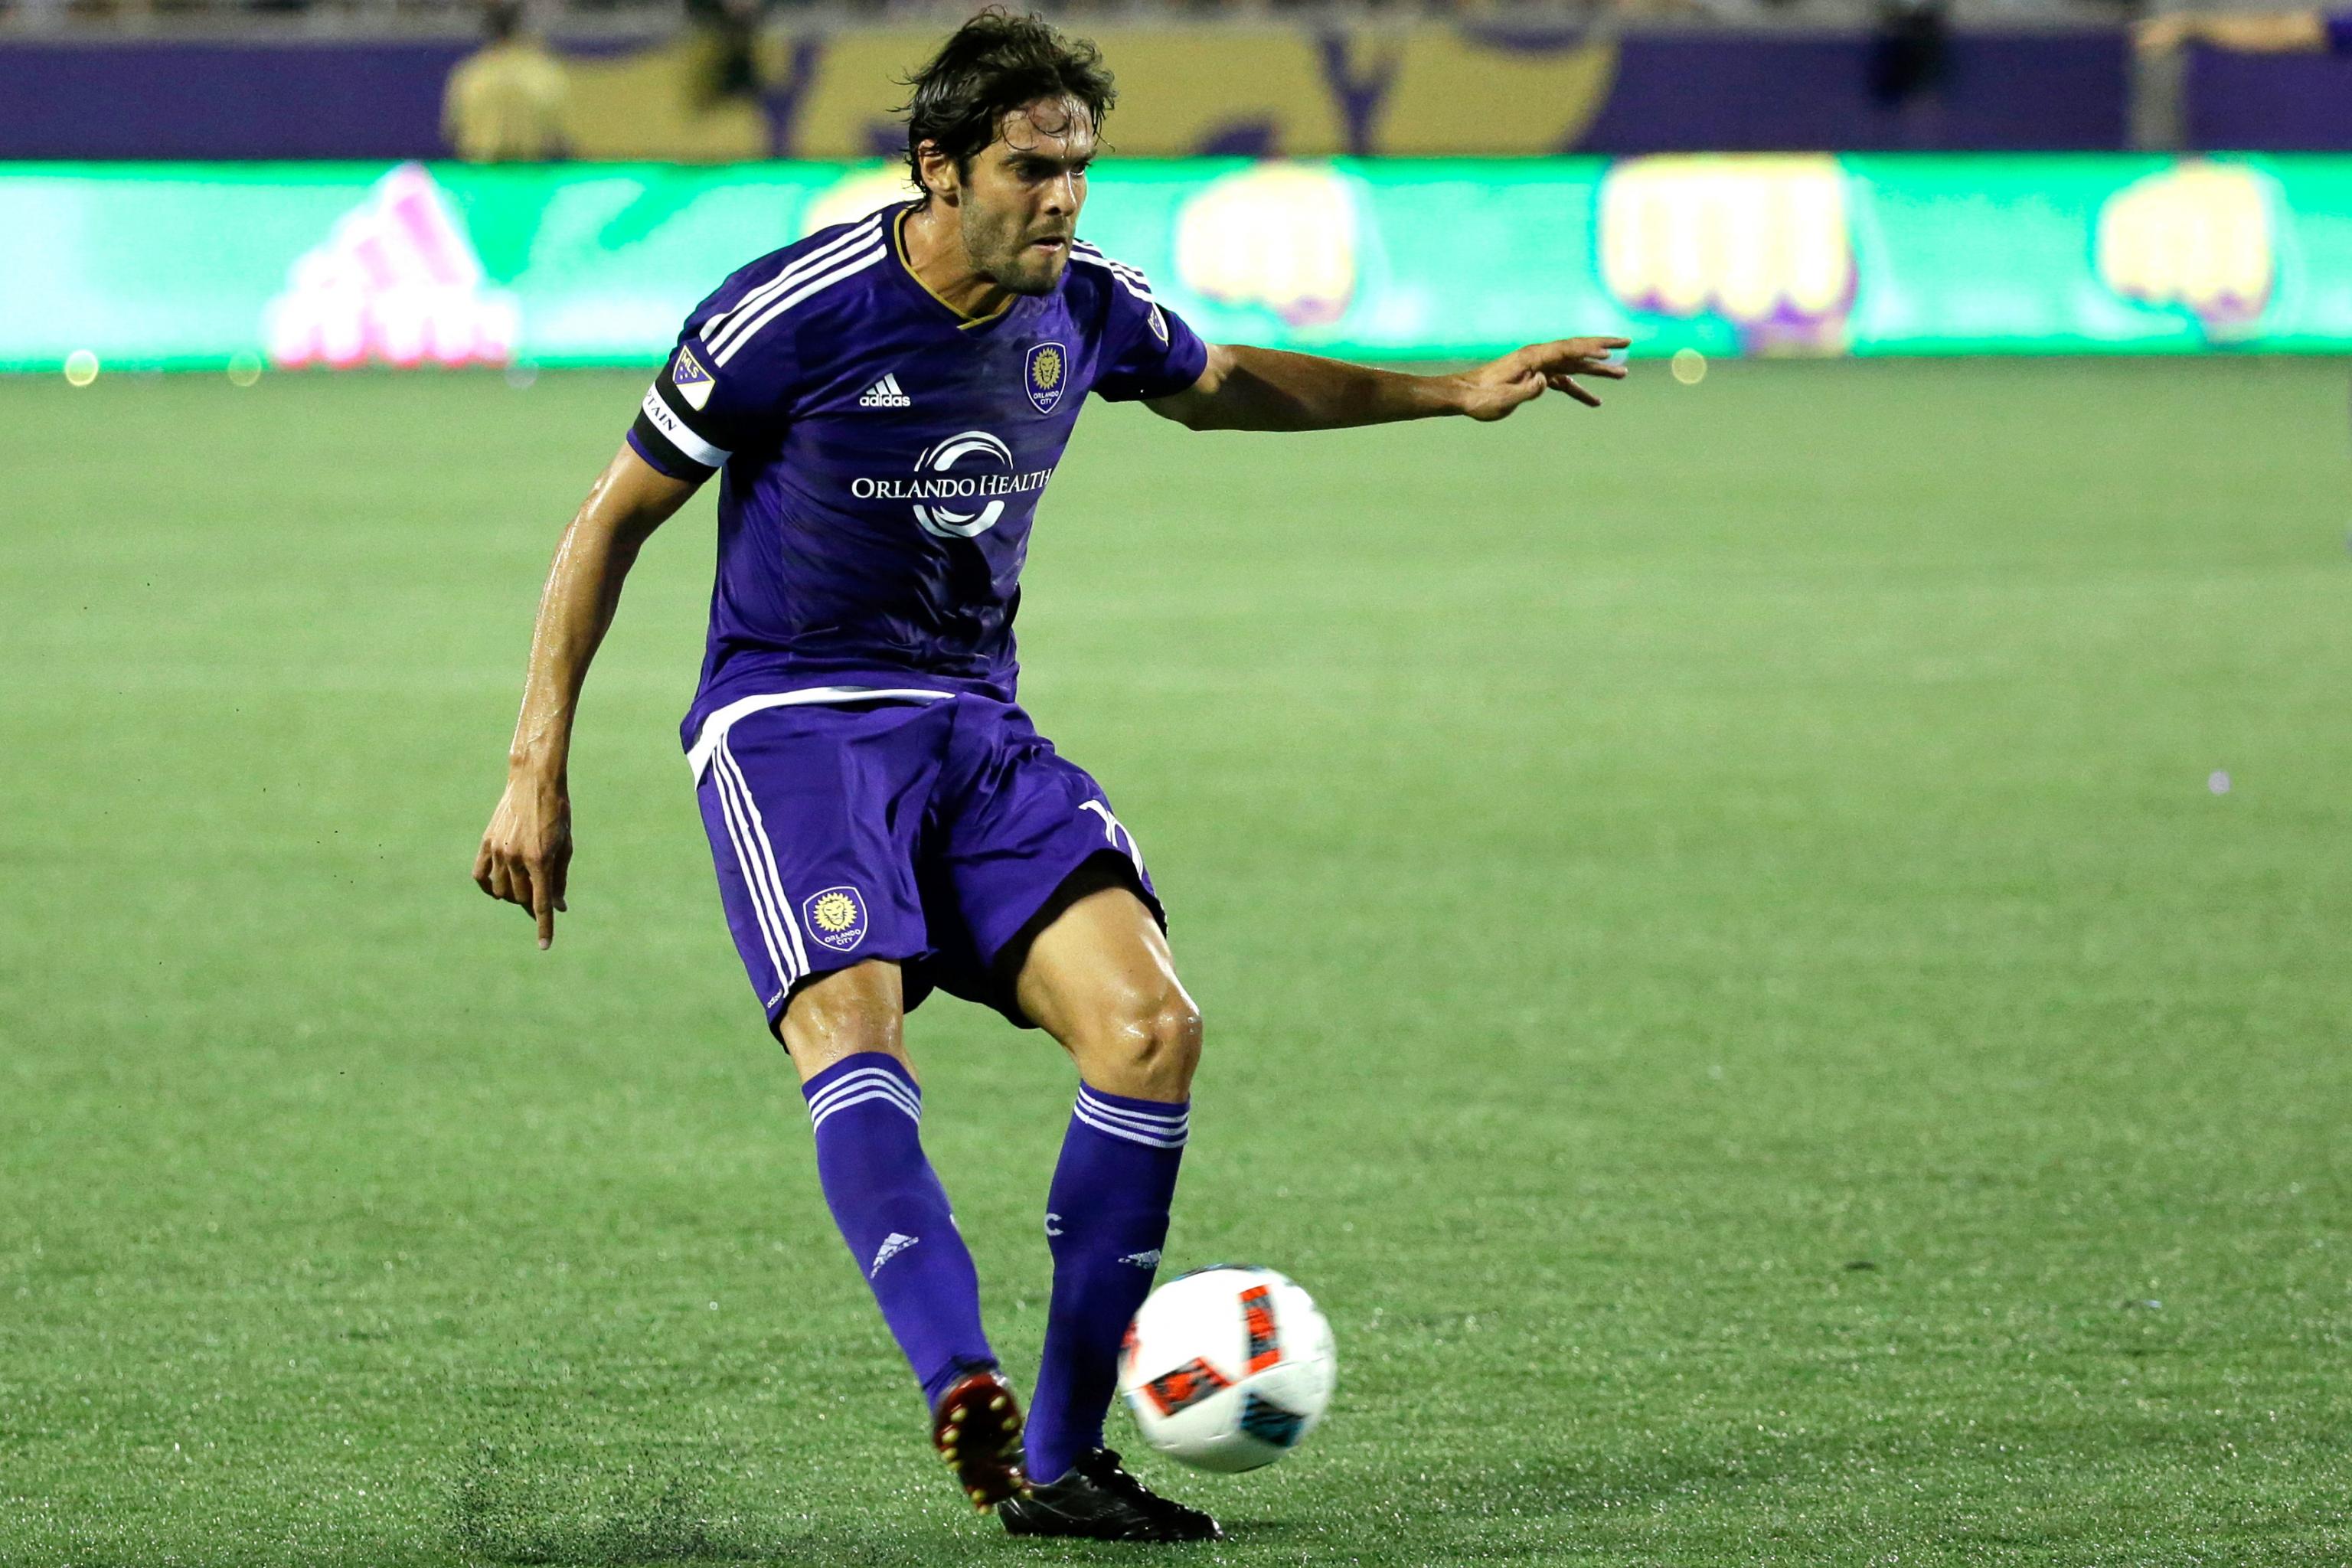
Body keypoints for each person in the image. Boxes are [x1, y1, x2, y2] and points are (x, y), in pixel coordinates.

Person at [472, 7, 1626, 1543]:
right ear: (936, 168)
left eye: (1081, 168)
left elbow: (1224, 381)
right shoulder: (787, 313)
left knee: (1153, 1028)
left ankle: (1065, 1462)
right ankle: (963, 1382)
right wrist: (533, 766)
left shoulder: (1083, 307)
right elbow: (608, 522)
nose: (1064, 199)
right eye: (1031, 168)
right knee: (855, 1021)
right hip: (796, 724)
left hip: (977, 726)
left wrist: (1451, 390)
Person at [441, 1, 570, 164]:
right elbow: (559, 138)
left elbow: (453, 132)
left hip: (482, 176)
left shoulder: (470, 73)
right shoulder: (544, 71)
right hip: (531, 177)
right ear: (522, 29)